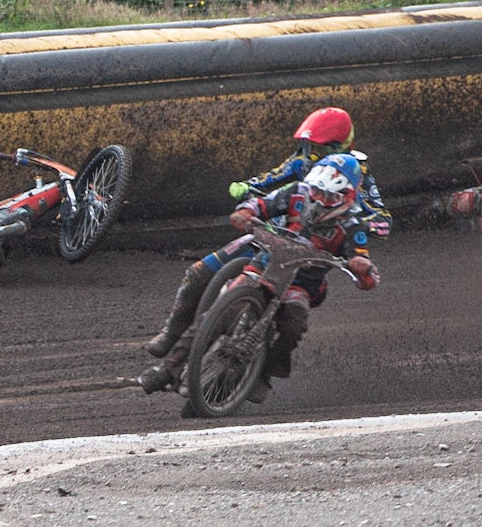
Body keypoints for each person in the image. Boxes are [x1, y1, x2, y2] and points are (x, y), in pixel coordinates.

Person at [138, 107, 389, 392]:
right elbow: (268, 188)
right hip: (271, 241)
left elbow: (376, 228)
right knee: (201, 278)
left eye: (317, 149)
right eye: (308, 147)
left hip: (305, 272)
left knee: (294, 322)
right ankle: (171, 349)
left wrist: (361, 252)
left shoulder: (354, 197)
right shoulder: (298, 185)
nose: (318, 198)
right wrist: (247, 196)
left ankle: (266, 371)